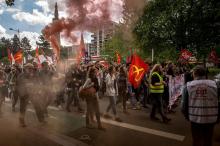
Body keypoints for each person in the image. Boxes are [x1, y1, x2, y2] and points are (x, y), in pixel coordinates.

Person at [181, 66, 220, 146]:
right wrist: (218, 117)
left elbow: (183, 106)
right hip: (211, 118)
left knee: (196, 140)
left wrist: (187, 116)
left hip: (195, 118)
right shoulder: (215, 85)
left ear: (194, 74)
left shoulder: (188, 86)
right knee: (208, 140)